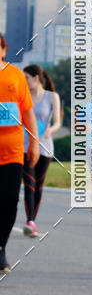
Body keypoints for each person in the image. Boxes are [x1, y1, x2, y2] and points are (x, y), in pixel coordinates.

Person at [0, 34, 39, 273]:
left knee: (9, 201)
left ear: (3, 49)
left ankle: (1, 247)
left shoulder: (15, 75)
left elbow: (27, 112)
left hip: (13, 151)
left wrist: (34, 142)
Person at [22, 65, 62, 238]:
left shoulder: (52, 97)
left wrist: (50, 130)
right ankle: (30, 221)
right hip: (25, 145)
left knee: (38, 185)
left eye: (27, 78)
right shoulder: (23, 96)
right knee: (29, 184)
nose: (24, 81)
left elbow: (58, 122)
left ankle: (33, 220)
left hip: (45, 147)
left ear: (36, 78)